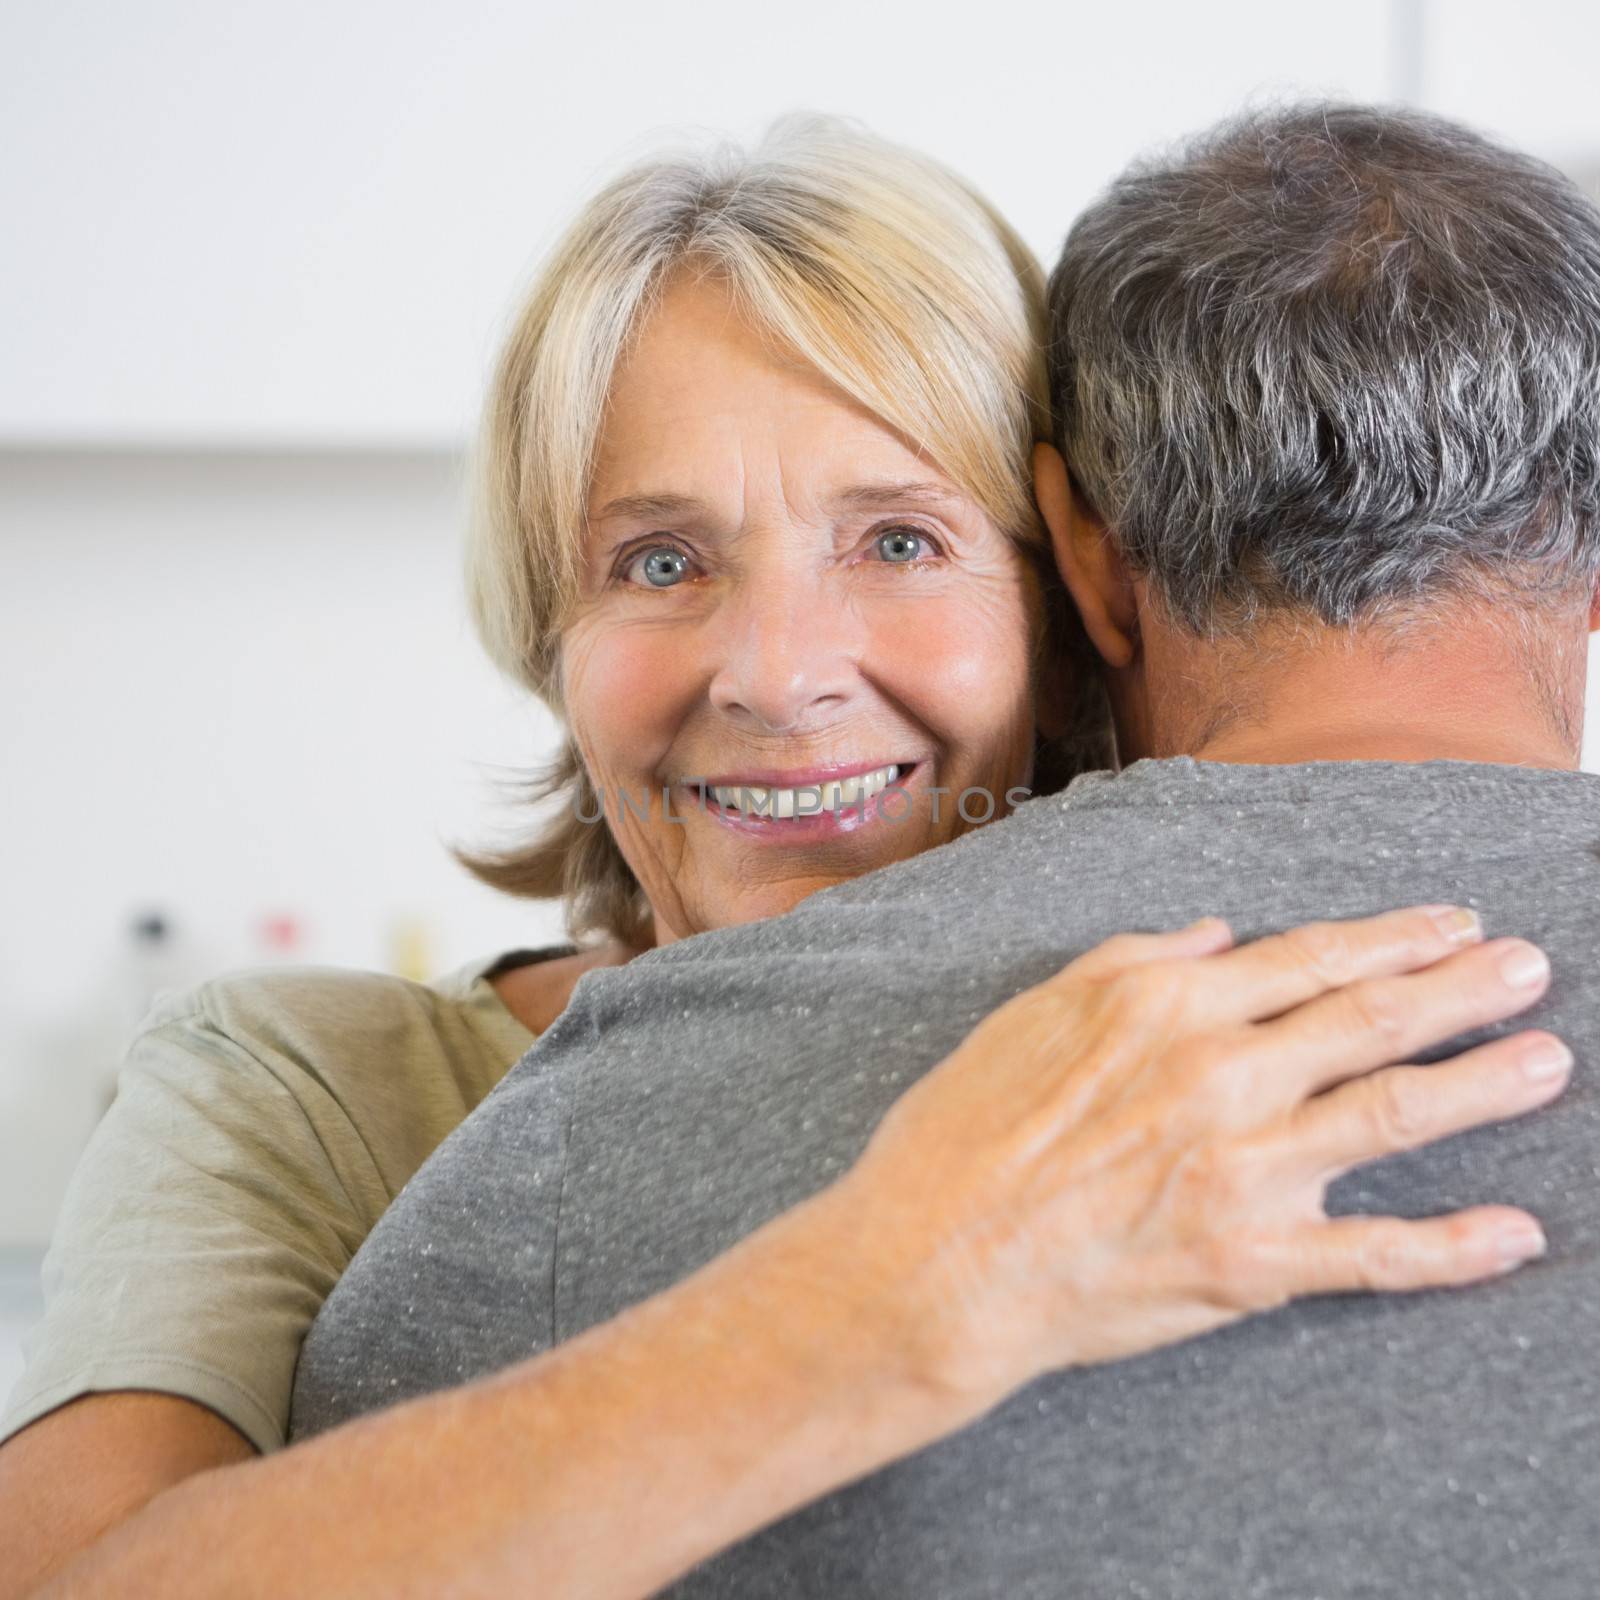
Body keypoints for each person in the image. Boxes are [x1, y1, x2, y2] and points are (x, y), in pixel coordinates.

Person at [0, 115, 1567, 1596]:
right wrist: (892, 1293)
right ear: (550, 638)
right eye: (658, 561)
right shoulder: (314, 1088)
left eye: (897, 542)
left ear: (1078, 591)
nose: (774, 672)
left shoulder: (1208, 1036)